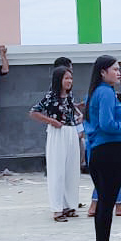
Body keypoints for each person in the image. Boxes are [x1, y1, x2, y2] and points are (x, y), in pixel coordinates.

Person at [84, 55, 121, 241]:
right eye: (114, 69)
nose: (118, 72)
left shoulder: (100, 91)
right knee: (106, 203)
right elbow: (106, 124)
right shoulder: (104, 92)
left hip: (100, 151)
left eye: (119, 68)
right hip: (108, 152)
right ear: (103, 72)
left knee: (104, 201)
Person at [31, 67, 82, 222]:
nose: (69, 81)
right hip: (57, 133)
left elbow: (72, 111)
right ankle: (57, 209)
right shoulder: (50, 97)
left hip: (71, 132)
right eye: (66, 78)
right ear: (58, 80)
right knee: (57, 170)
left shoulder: (69, 96)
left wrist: (78, 118)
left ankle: (69, 205)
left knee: (71, 170)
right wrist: (51, 121)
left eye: (70, 78)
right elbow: (34, 112)